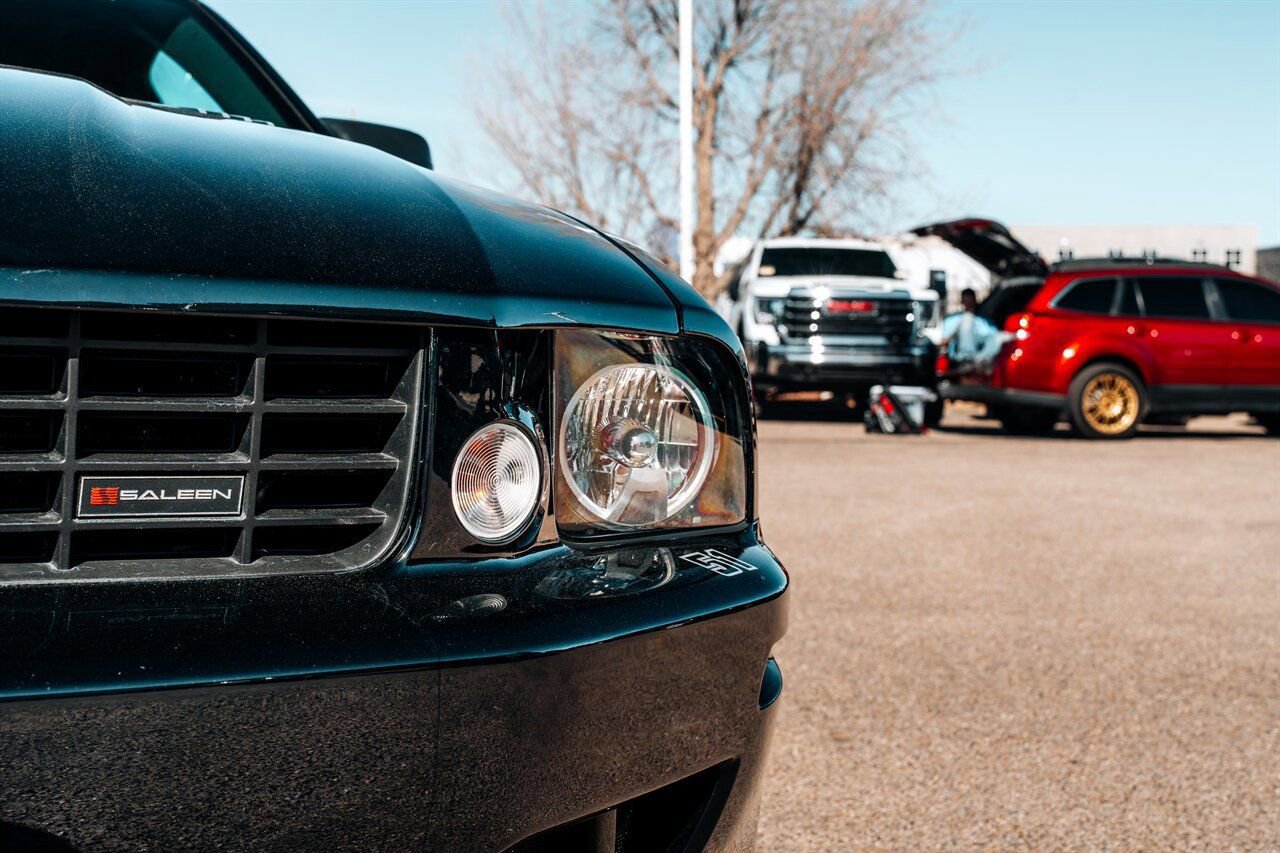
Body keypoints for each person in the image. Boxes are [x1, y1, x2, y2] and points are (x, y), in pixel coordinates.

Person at [940, 288, 1003, 372]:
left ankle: (980, 362)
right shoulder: (952, 319)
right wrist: (955, 333)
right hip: (961, 356)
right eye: (966, 301)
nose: (968, 304)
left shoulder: (983, 320)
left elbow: (994, 336)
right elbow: (942, 341)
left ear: (975, 301)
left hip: (981, 356)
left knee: (1003, 336)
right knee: (967, 317)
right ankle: (967, 360)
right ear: (962, 302)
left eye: (970, 301)